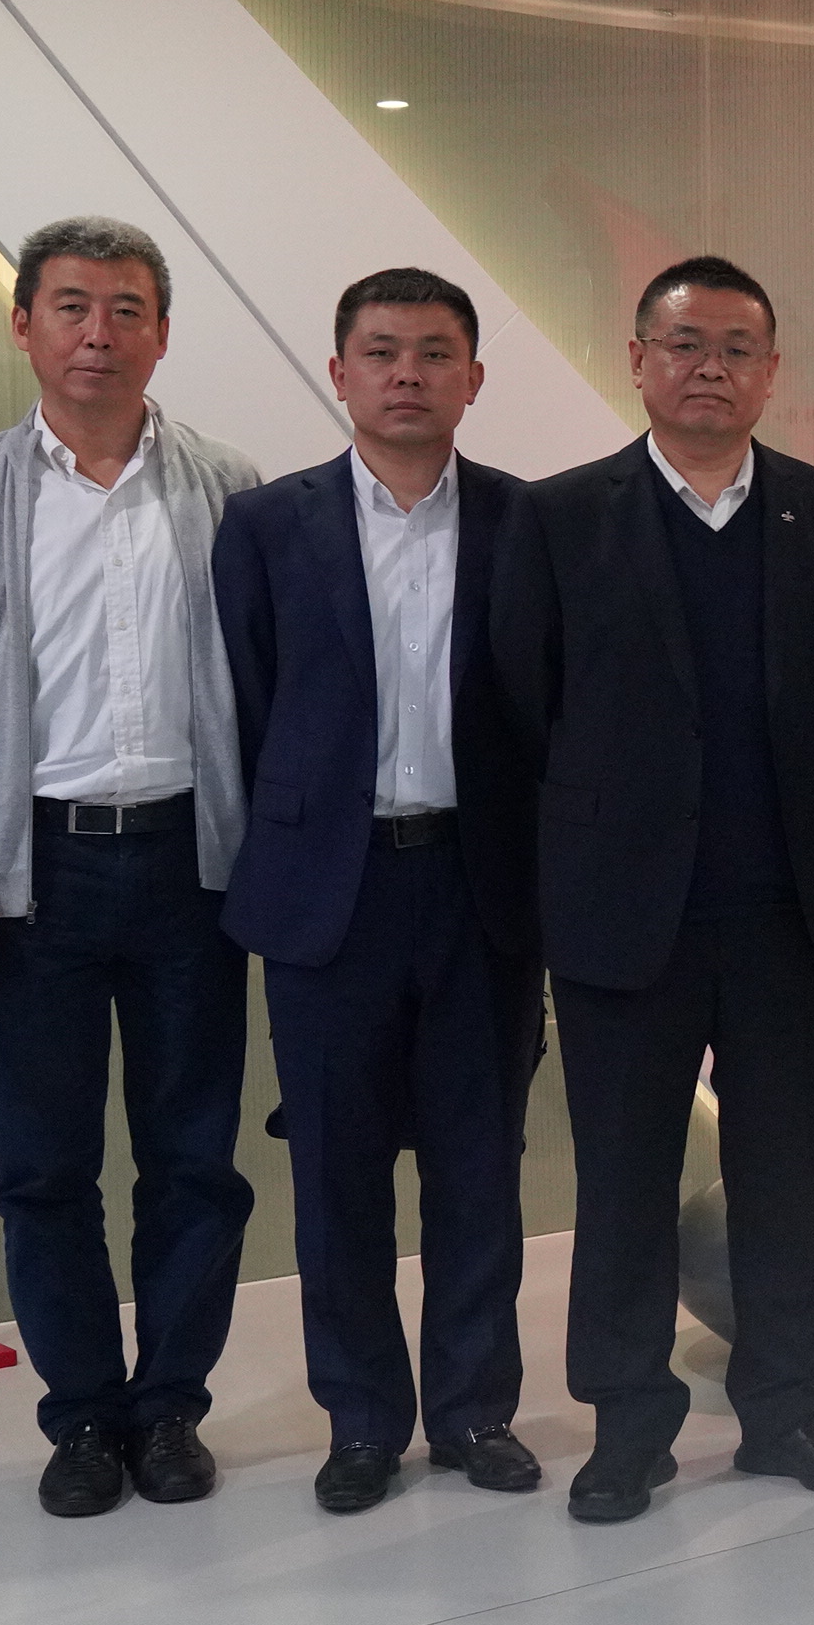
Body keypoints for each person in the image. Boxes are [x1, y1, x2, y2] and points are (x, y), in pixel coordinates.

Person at [0, 216, 261, 1517]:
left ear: (162, 332)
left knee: (194, 1161)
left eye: (127, 309)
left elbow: (274, 688)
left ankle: (170, 1409)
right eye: (73, 307)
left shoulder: (228, 488)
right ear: (25, 324)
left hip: (191, 871)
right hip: (30, 876)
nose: (100, 333)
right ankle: (84, 1415)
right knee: (45, 1171)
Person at [491, 257, 814, 1524]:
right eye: (684, 344)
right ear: (638, 360)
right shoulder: (559, 517)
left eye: (736, 347)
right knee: (623, 1183)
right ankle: (628, 1422)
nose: (709, 367)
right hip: (621, 919)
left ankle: (785, 1406)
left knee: (784, 1176)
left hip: (784, 915)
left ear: (771, 373)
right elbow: (522, 717)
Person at [211, 266, 544, 1512]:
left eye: (436, 352)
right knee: (336, 1172)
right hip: (328, 896)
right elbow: (250, 707)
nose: (409, 374)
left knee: (478, 1165)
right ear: (340, 371)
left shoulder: (527, 522)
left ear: (473, 377)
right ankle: (360, 1421)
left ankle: (473, 1411)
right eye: (384, 351)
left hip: (480, 886)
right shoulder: (265, 525)